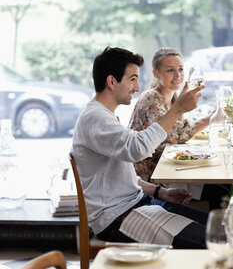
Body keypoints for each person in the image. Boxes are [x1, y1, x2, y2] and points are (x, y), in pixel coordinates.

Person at [70, 46, 208, 248]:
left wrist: (160, 192)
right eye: (132, 79)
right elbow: (139, 148)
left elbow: (119, 176)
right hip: (117, 217)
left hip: (138, 204)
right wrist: (177, 110)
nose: (137, 87)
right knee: (215, 240)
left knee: (218, 227)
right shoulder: (95, 118)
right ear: (111, 81)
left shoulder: (106, 116)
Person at [128, 47, 229, 210]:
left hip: (169, 169)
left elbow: (181, 132)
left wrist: (211, 117)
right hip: (153, 176)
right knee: (220, 192)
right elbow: (175, 135)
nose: (178, 75)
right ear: (155, 73)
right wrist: (209, 118)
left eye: (181, 69)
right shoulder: (151, 98)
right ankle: (210, 231)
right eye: (170, 70)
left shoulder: (173, 99)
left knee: (224, 185)